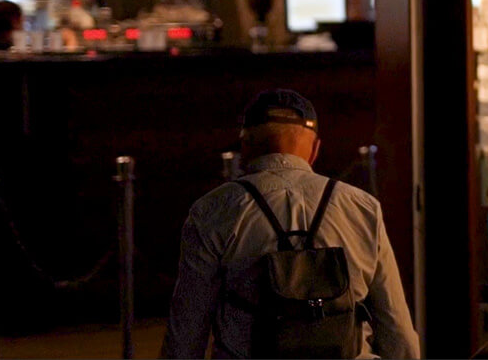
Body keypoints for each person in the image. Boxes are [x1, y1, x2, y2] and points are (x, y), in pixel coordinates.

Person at [161, 89, 420, 359]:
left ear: (245, 146)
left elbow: (187, 332)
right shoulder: (363, 208)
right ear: (315, 149)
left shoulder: (213, 211)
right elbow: (396, 328)